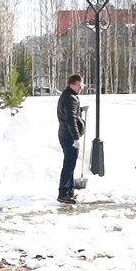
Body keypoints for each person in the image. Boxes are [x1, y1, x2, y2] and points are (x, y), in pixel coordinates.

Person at [56, 74, 84, 204]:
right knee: (69, 164)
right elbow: (70, 119)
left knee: (70, 163)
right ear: (72, 84)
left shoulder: (68, 96)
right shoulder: (70, 98)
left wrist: (80, 111)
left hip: (64, 134)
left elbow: (70, 114)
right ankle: (63, 193)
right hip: (68, 136)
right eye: (79, 85)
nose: (81, 87)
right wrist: (76, 138)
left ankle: (69, 191)